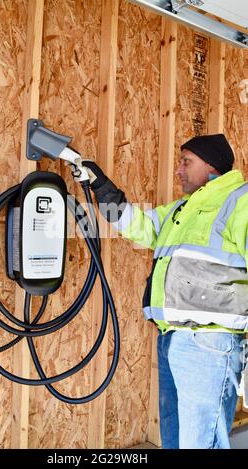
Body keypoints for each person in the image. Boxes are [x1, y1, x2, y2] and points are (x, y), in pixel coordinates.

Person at [80, 134, 248, 449]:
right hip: (172, 339)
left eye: (187, 162)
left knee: (201, 442)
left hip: (210, 343)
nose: (178, 170)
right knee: (176, 440)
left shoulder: (241, 201)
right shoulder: (181, 210)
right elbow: (139, 225)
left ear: (211, 167)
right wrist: (101, 187)